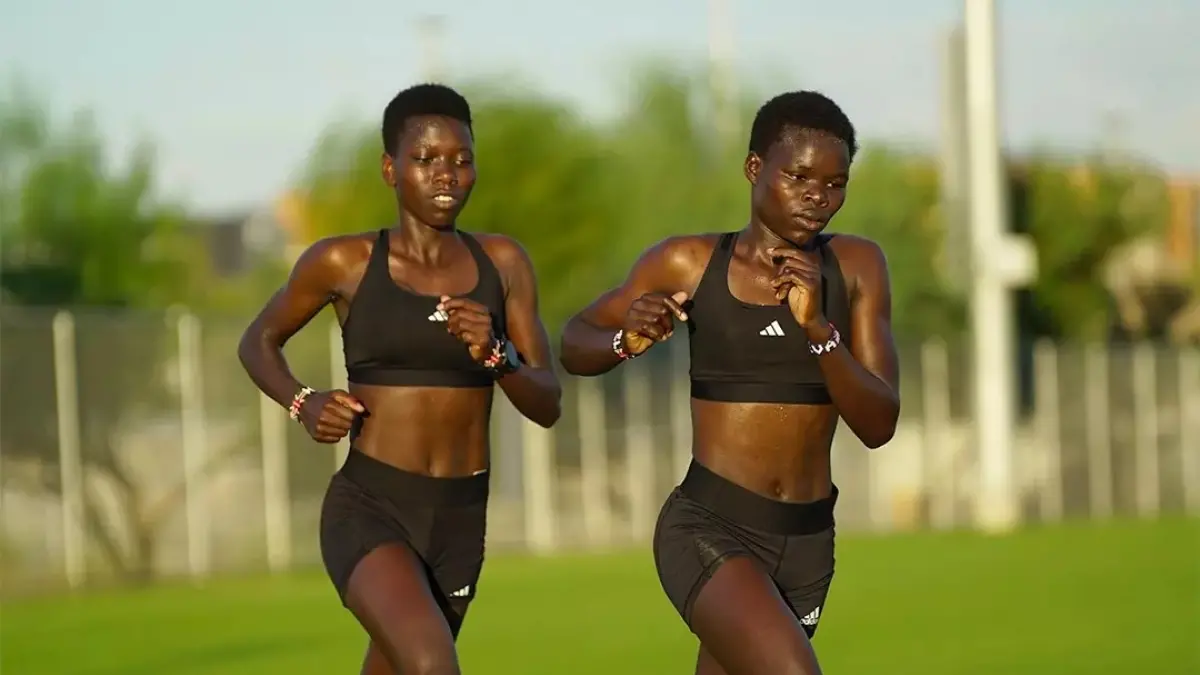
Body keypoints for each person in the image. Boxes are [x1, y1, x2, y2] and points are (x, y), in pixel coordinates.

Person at [559, 90, 900, 675]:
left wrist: (818, 328)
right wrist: (624, 340)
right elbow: (573, 343)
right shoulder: (688, 263)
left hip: (808, 542)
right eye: (798, 176)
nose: (818, 197)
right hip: (709, 527)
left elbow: (878, 423)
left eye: (835, 183)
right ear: (753, 169)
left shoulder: (858, 268)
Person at [238, 83, 561, 675]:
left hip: (460, 517)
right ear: (391, 168)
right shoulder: (344, 262)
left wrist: (496, 355)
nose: (446, 175)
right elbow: (257, 341)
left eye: (462, 161)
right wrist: (303, 402)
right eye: (426, 160)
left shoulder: (504, 264)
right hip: (371, 506)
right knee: (432, 664)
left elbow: (547, 402)